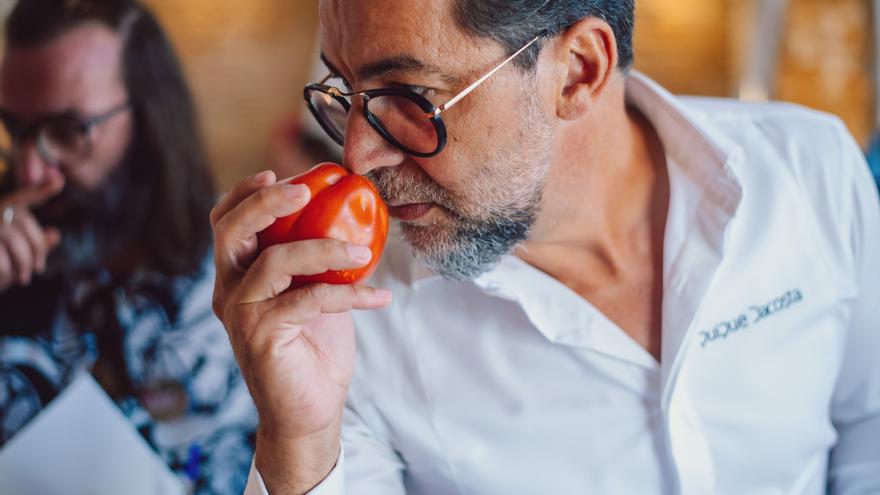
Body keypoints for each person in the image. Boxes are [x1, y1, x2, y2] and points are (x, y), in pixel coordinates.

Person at [210, 1, 880, 493]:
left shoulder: (811, 171)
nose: (357, 155)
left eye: (412, 97)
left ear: (577, 70)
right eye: (347, 94)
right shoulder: (350, 318)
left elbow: (869, 432)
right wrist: (297, 439)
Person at [0, 0, 256, 492]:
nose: (31, 169)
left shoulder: (243, 259)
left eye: (68, 131)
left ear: (149, 116)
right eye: (15, 129)